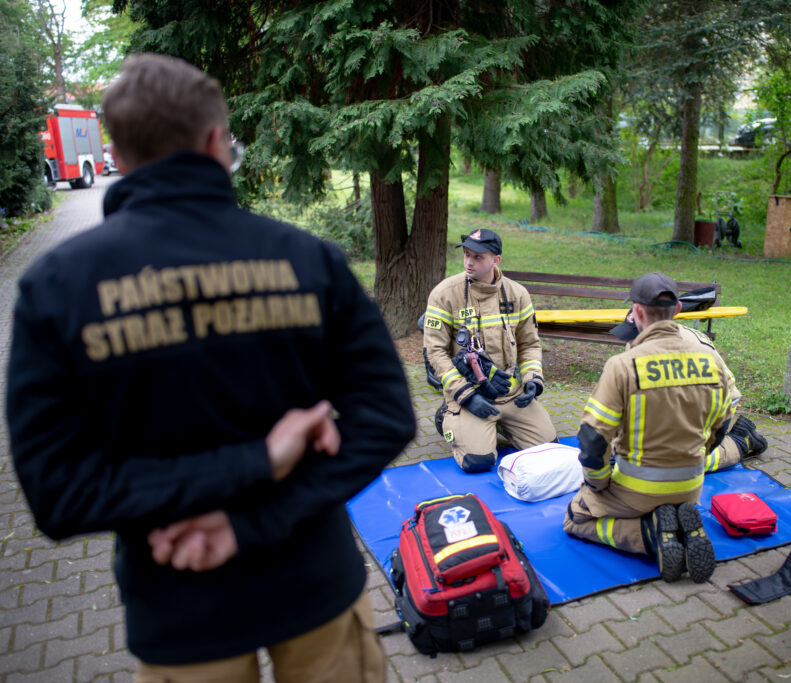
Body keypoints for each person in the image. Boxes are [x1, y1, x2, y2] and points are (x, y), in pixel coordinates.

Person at [6, 53, 415, 682]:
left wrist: (233, 485)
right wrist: (259, 478)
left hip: (178, 606)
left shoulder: (55, 288)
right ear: (213, 140)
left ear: (115, 151)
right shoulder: (309, 260)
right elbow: (387, 417)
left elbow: (58, 494)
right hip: (313, 584)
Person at [562, 272, 767, 583]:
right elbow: (723, 423)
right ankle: (674, 520)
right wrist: (700, 454)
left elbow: (592, 439)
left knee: (575, 518)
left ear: (637, 312)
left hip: (635, 489)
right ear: (679, 309)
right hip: (691, 487)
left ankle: (649, 534)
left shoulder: (623, 365)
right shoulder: (710, 358)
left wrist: (598, 483)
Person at [423, 228, 556, 472]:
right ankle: (448, 420)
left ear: (496, 260)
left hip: (509, 391)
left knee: (549, 449)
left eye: (478, 257)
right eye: (466, 255)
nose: (468, 262)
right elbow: (435, 353)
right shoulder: (445, 294)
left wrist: (532, 381)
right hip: (468, 393)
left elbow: (529, 344)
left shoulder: (518, 294)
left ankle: (503, 424)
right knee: (478, 461)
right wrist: (466, 397)